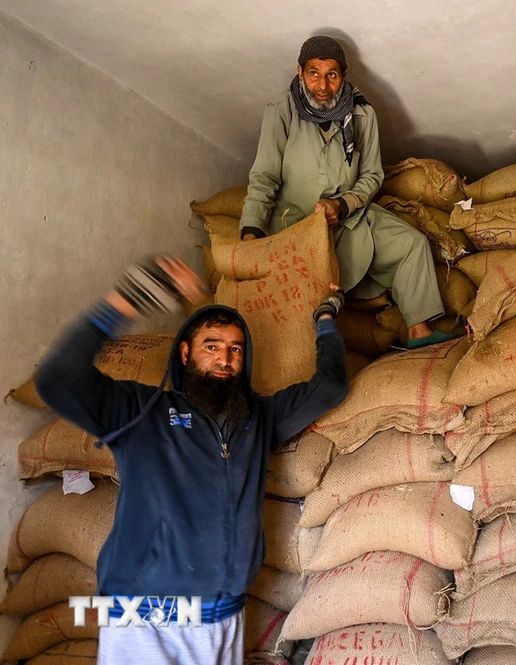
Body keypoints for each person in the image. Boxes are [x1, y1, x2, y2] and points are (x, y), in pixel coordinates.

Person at [35, 256, 350, 664]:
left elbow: (330, 387)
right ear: (185, 353)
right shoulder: (141, 412)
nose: (225, 359)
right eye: (212, 346)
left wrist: (325, 318)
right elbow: (57, 379)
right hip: (147, 623)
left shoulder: (257, 418)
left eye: (235, 349)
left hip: (223, 619)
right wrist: (133, 294)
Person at [239, 35, 454, 349]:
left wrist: (342, 204)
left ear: (343, 76)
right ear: (300, 72)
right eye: (314, 73)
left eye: (332, 75)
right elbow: (265, 177)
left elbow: (371, 176)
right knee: (304, 299)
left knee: (412, 244)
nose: (323, 85)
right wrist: (250, 235)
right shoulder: (281, 112)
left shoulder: (363, 115)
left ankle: (418, 331)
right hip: (296, 225)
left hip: (349, 215)